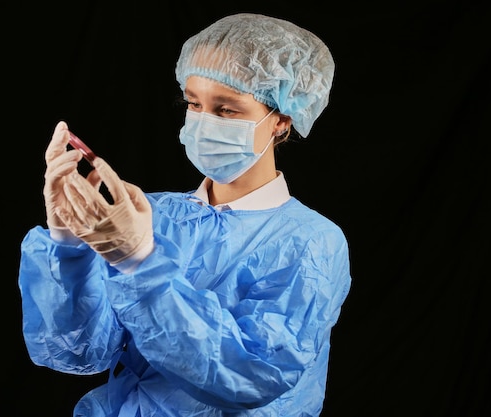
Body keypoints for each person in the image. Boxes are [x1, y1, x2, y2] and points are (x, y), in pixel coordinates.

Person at [18, 12, 351, 416]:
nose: (203, 122)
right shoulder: (149, 215)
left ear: (281, 120)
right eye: (194, 103)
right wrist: (68, 244)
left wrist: (141, 264)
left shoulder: (312, 242)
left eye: (227, 110)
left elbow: (249, 376)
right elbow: (79, 352)